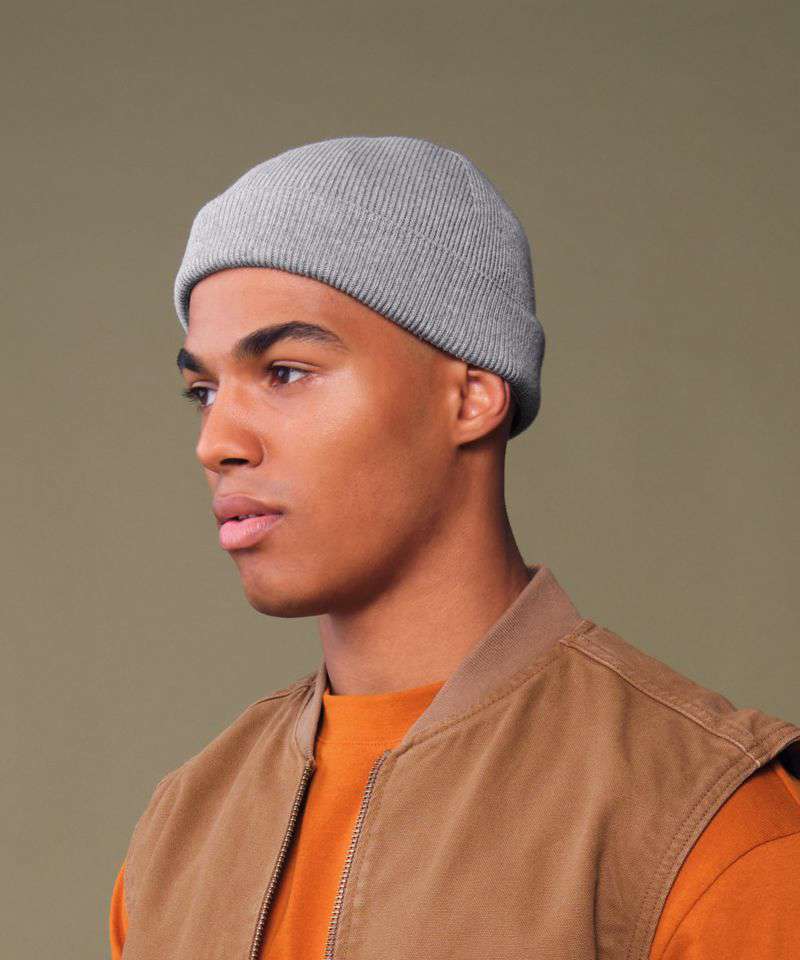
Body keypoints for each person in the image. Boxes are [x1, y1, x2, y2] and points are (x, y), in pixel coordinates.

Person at [109, 135, 800, 960]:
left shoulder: (711, 823)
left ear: (471, 397)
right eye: (203, 390)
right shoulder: (182, 828)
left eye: (286, 372)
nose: (216, 442)